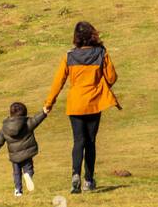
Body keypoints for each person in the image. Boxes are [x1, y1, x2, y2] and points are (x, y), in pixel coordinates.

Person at [44, 21, 120, 194]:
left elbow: (58, 82)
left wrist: (49, 103)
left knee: (78, 141)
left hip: (75, 104)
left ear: (76, 37)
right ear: (93, 34)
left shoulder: (69, 56)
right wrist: (99, 83)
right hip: (94, 103)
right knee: (91, 142)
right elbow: (112, 77)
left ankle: (75, 174)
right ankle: (88, 180)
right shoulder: (102, 53)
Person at [0, 101, 47, 197]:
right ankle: (28, 175)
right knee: (29, 169)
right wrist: (44, 112)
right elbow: (36, 120)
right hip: (27, 154)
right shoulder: (27, 124)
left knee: (16, 174)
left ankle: (18, 190)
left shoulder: (5, 128)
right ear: (24, 114)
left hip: (14, 156)